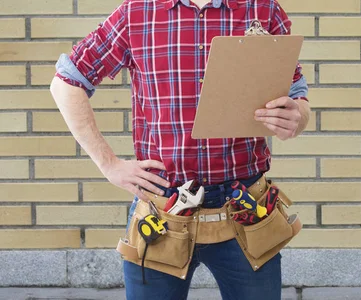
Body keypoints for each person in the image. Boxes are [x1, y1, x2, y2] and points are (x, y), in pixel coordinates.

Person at [49, 0, 311, 299]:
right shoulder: (136, 11)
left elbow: (295, 91)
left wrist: (298, 117)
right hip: (162, 212)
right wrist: (109, 164)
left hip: (247, 210)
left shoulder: (261, 8)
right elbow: (67, 81)